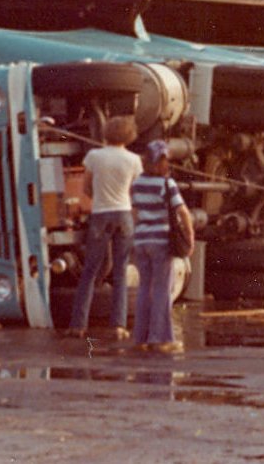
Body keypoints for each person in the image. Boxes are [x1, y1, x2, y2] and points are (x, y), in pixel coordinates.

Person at [66, 116, 142, 339]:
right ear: (129, 135)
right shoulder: (134, 160)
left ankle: (78, 325)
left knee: (90, 271)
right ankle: (118, 326)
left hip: (100, 215)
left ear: (106, 133)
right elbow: (133, 190)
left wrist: (98, 197)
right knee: (120, 271)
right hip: (124, 214)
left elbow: (87, 187)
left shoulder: (94, 156)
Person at [130, 140, 195, 354]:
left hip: (141, 240)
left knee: (144, 289)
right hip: (160, 241)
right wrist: (190, 236)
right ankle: (161, 339)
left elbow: (135, 212)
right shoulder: (167, 184)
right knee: (161, 290)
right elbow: (183, 212)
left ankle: (140, 338)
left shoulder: (137, 183)